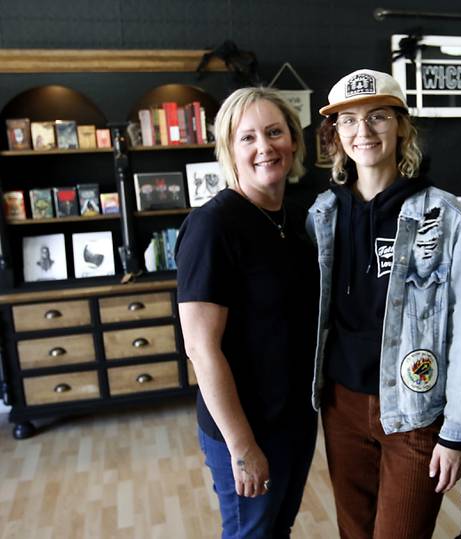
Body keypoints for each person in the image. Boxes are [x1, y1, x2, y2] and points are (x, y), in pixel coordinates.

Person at [307, 69, 461, 539]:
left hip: (414, 409)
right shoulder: (321, 215)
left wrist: (457, 430)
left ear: (402, 126)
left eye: (378, 117)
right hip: (340, 405)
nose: (362, 132)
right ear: (335, 134)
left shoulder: (441, 213)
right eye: (348, 121)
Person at [176, 87, 318, 539]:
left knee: (278, 529)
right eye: (248, 137)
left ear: (293, 141)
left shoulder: (297, 220)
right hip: (244, 426)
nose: (265, 147)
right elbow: (201, 349)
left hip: (295, 418)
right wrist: (242, 446)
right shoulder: (213, 226)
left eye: (275, 132)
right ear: (229, 150)